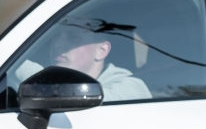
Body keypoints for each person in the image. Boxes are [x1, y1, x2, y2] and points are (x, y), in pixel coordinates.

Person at [9, 19, 152, 102]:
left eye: (73, 37)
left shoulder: (130, 88)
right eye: (55, 36)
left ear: (101, 50)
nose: (58, 44)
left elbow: (62, 91)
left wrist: (10, 58)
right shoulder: (15, 80)